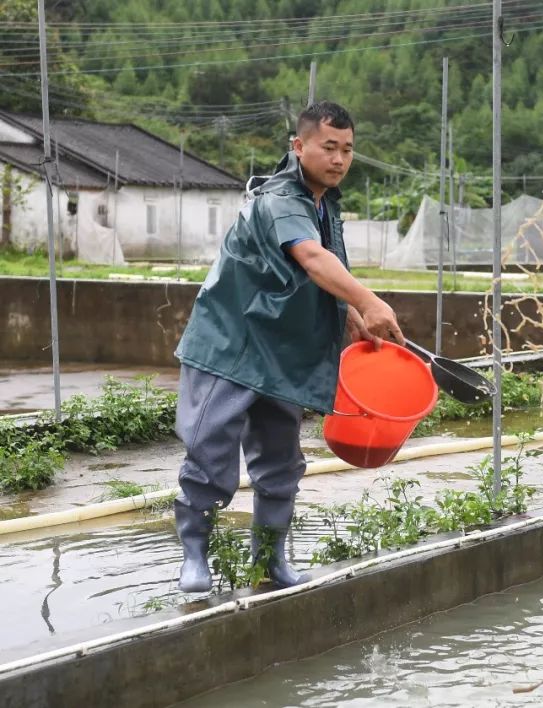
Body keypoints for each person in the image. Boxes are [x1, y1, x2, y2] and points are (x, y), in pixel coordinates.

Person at [172, 101, 404, 592]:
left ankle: (269, 561)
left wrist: (353, 317)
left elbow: (315, 277)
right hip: (232, 344)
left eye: (347, 150)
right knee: (211, 452)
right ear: (298, 147)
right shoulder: (280, 198)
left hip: (280, 351)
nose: (339, 159)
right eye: (328, 147)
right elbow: (312, 259)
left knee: (281, 459)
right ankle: (194, 558)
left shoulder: (326, 204)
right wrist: (371, 299)